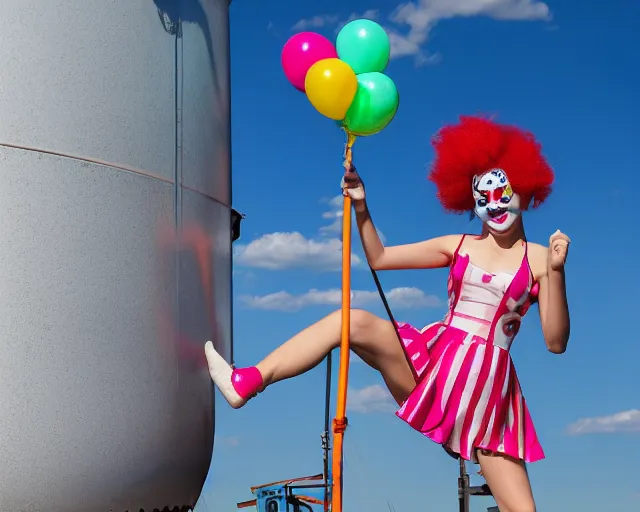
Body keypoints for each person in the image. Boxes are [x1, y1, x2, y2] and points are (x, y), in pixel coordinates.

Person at [205, 115, 570, 512]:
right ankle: (248, 382)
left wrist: (555, 272)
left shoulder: (538, 260)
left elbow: (555, 342)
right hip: (434, 368)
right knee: (354, 320)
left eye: (503, 192)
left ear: (523, 187)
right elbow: (379, 258)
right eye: (483, 197)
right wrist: (362, 206)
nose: (494, 204)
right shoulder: (458, 244)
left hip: (488, 395)